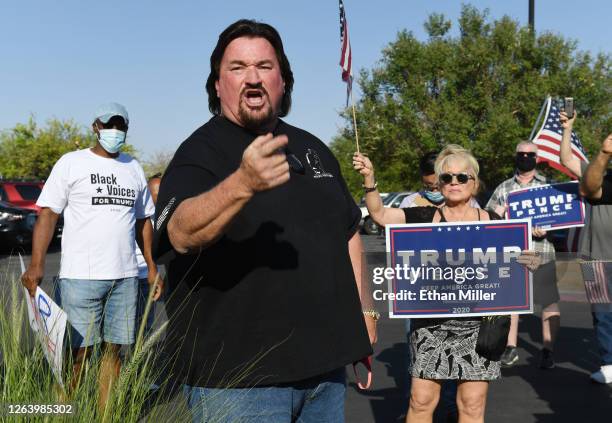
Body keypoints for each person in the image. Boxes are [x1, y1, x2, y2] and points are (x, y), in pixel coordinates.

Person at [152, 19, 375, 422]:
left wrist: (364, 318)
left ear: (283, 82)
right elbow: (177, 234)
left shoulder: (314, 149)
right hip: (238, 383)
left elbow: (347, 234)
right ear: (217, 85)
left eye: (264, 67)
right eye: (236, 68)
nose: (252, 78)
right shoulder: (198, 153)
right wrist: (242, 184)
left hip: (324, 375)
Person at [354, 144, 540, 423]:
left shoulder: (494, 222)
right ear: (439, 183)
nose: (454, 183)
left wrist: (530, 262)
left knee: (472, 405)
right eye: (446, 177)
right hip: (431, 325)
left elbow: (518, 267)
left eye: (461, 177)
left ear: (474, 183)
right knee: (420, 401)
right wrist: (370, 180)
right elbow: (379, 215)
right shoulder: (424, 217)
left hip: (481, 329)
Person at [20, 102, 162, 411]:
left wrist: (151, 266)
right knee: (76, 354)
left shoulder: (133, 167)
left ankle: (104, 414)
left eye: (120, 125)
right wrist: (37, 264)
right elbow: (48, 215)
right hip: (80, 278)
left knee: (114, 353)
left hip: (124, 278)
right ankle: (64, 411)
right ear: (95, 127)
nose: (115, 131)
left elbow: (144, 222)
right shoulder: (71, 163)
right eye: (109, 125)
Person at [486, 141, 559, 369]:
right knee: (513, 302)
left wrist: (549, 227)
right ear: (515, 156)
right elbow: (489, 219)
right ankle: (510, 348)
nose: (525, 157)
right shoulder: (504, 188)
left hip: (543, 252)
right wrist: (498, 215)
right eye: (521, 154)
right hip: (514, 254)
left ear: (537, 158)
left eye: (530, 154)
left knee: (549, 303)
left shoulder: (549, 186)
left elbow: (563, 218)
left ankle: (548, 350)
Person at [571, 126, 612, 384]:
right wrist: (604, 153)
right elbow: (588, 189)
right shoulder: (599, 176)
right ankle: (609, 363)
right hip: (595, 258)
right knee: (602, 313)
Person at [135, 174, 162, 336]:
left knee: (144, 327)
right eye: (156, 193)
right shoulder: (136, 216)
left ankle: (139, 360)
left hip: (148, 277)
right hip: (129, 277)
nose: (160, 197)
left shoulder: (162, 216)